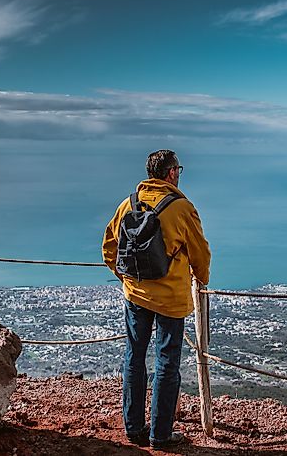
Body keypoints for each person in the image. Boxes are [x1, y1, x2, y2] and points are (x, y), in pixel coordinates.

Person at [102, 149, 211, 449]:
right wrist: (202, 279)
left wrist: (125, 278)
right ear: (171, 173)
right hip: (170, 300)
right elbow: (200, 252)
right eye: (178, 170)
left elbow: (109, 246)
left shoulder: (129, 203)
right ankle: (160, 436)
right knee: (166, 363)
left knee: (134, 357)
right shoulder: (182, 208)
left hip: (136, 294)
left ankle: (133, 428)